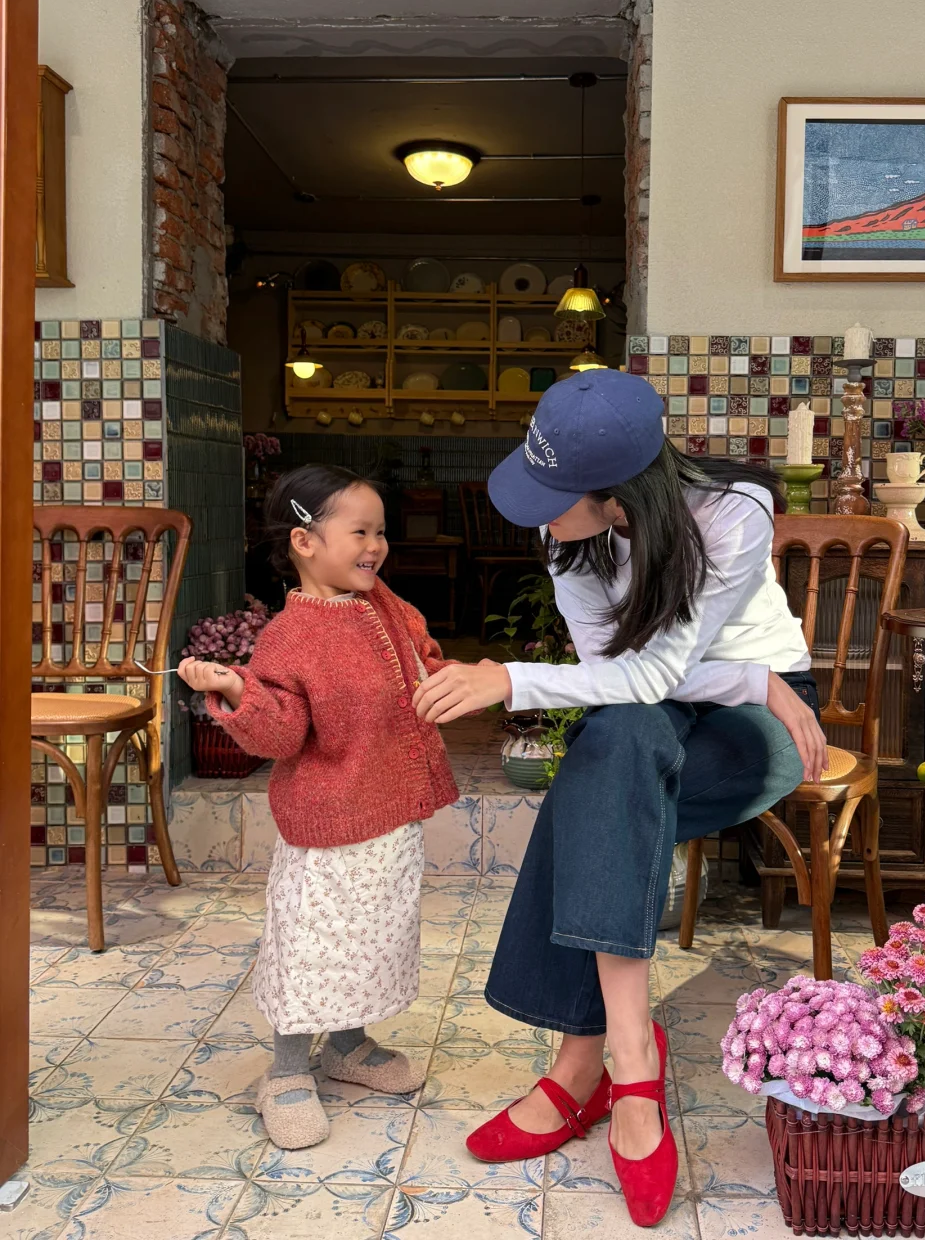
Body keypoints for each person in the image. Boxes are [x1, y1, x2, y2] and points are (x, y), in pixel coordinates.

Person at [413, 371, 826, 1228]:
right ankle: (631, 1066)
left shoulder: (732, 516)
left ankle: (582, 1070)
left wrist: (508, 678)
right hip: (693, 701)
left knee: (599, 790)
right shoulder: (569, 536)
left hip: (767, 719)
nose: (537, 516)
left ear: (619, 494)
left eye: (554, 498)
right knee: (619, 748)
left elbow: (652, 672)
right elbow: (622, 679)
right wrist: (744, 676)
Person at [180, 464, 459, 1151]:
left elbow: (416, 650)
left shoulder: (379, 603)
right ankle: (284, 1072)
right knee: (313, 946)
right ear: (305, 542)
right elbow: (280, 734)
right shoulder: (291, 635)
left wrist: (441, 672)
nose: (376, 546)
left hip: (390, 812)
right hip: (329, 827)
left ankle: (348, 1045)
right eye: (360, 532)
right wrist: (237, 690)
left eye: (381, 532)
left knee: (373, 937)